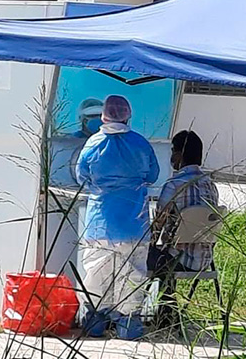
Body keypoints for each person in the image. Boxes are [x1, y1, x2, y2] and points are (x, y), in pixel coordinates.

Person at [75, 95, 160, 340]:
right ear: (128, 116)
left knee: (96, 273)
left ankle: (95, 324)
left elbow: (81, 177)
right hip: (134, 221)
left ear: (103, 116)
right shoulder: (141, 144)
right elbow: (152, 175)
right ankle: (128, 327)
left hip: (100, 222)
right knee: (132, 275)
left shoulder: (92, 144)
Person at [148, 130, 219, 326]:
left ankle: (161, 311)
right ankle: (166, 313)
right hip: (205, 260)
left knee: (147, 255)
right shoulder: (210, 185)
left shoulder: (174, 185)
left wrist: (150, 242)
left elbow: (158, 224)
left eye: (173, 151)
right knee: (165, 254)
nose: (171, 157)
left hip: (177, 259)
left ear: (179, 155)